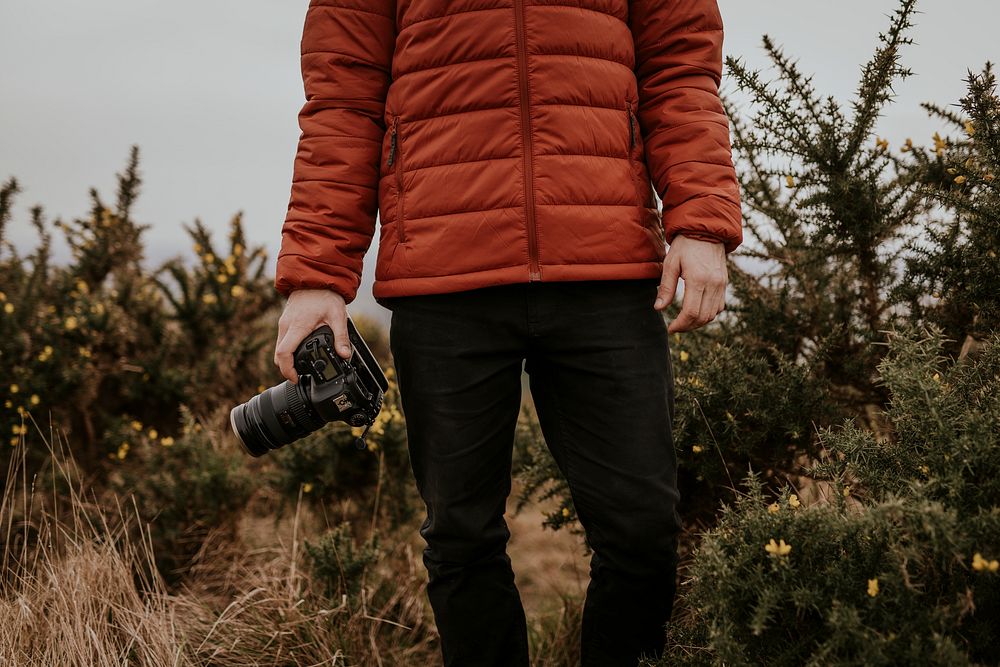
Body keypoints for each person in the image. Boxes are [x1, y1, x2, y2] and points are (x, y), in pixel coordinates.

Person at [272, 0, 742, 664]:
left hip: (604, 267)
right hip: (444, 275)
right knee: (461, 539)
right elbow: (343, 100)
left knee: (642, 533)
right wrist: (316, 272)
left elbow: (681, 68)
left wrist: (700, 219)